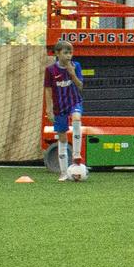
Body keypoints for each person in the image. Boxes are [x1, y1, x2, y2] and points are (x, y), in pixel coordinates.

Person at [44, 39, 84, 181]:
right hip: (59, 106)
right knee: (62, 136)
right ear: (57, 53)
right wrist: (49, 108)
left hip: (74, 102)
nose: (69, 56)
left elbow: (80, 86)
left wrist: (72, 74)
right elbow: (48, 90)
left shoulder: (76, 66)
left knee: (77, 119)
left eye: (70, 53)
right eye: (65, 53)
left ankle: (77, 154)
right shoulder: (50, 70)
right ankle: (63, 172)